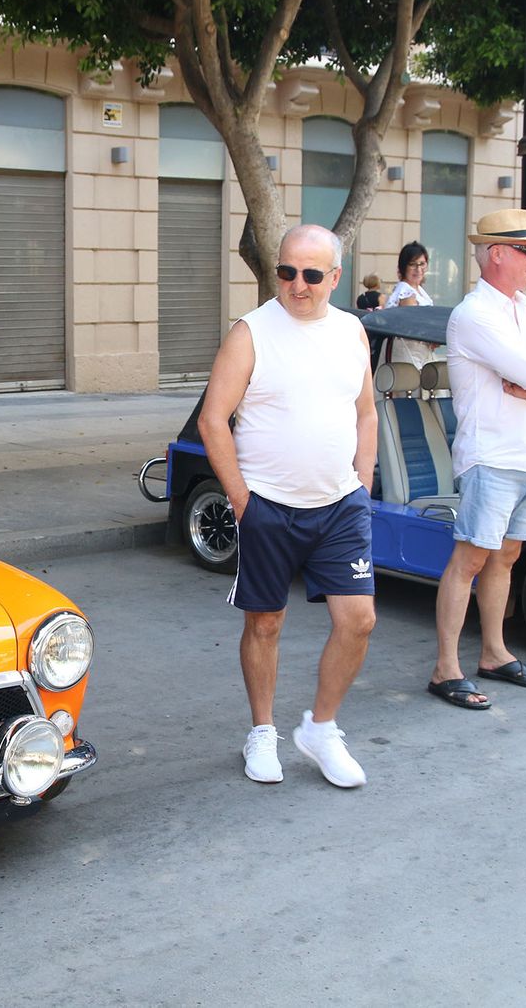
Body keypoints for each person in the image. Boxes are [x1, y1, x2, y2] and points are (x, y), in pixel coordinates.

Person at [197, 224, 378, 789]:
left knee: (359, 620)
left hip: (340, 504)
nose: (297, 285)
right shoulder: (251, 332)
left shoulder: (352, 331)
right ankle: (262, 731)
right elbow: (212, 419)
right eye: (286, 272)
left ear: (335, 277)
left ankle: (321, 729)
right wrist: (241, 499)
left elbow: (366, 412)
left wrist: (363, 486)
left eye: (311, 274)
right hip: (268, 505)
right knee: (266, 623)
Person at [429, 208, 526, 710]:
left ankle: (493, 653)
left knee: (505, 556)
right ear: (497, 255)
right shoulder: (475, 313)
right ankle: (446, 668)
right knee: (470, 559)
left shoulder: (521, 309)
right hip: (491, 455)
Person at [384, 241, 436, 367]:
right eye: (413, 264)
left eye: (422, 264)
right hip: (408, 352)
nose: (418, 269)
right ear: (404, 267)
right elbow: (412, 325)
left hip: (421, 350)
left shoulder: (419, 291)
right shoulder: (405, 291)